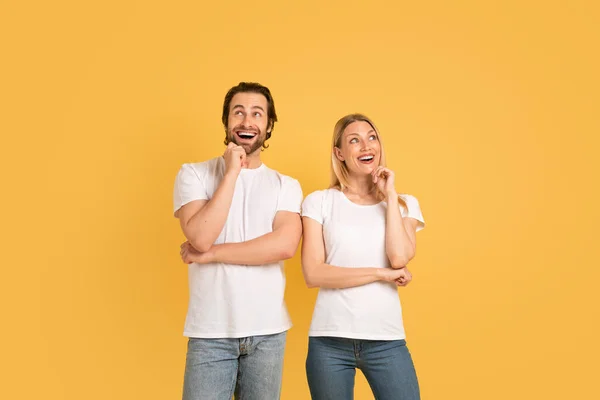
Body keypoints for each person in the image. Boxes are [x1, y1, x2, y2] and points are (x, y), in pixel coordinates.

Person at [173, 82, 303, 400]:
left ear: (269, 125)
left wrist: (212, 254)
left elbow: (284, 246)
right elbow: (201, 236)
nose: (247, 121)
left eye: (257, 114)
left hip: (267, 333)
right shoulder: (194, 174)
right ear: (227, 121)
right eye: (239, 112)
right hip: (210, 333)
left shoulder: (286, 185)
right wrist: (232, 173)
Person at [300, 113, 425, 400]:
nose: (366, 146)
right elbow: (314, 274)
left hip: (386, 340)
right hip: (329, 342)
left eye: (371, 138)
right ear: (339, 153)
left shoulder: (404, 204)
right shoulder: (319, 201)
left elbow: (398, 258)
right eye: (354, 141)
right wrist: (381, 275)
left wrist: (390, 196)